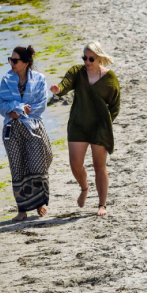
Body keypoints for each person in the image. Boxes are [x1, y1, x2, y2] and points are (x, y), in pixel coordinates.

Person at [50, 42, 121, 216]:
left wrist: (106, 123)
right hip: (78, 125)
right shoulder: (77, 72)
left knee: (99, 166)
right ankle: (84, 188)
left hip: (99, 128)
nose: (87, 61)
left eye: (91, 58)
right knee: (75, 164)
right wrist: (58, 89)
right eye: (85, 58)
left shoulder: (109, 78)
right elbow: (65, 84)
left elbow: (115, 105)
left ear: (99, 58)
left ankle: (102, 205)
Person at [0, 45, 51, 221]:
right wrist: (16, 109)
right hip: (12, 129)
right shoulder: (6, 80)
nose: (11, 63)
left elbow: (41, 105)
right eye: (10, 59)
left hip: (33, 126)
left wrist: (19, 112)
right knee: (17, 167)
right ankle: (22, 209)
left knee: (39, 163)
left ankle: (39, 202)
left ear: (26, 63)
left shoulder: (40, 79)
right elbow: (0, 103)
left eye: (15, 60)